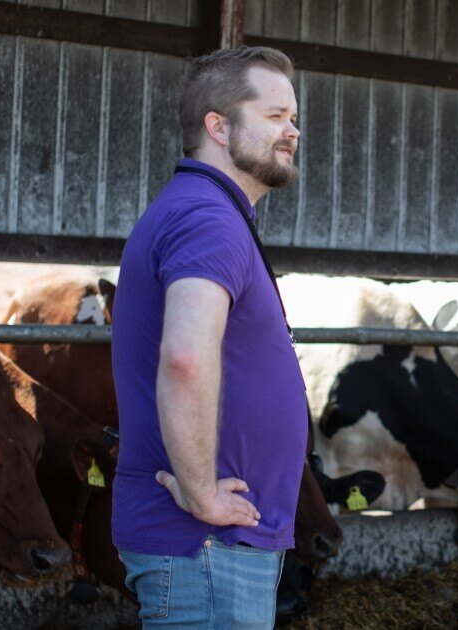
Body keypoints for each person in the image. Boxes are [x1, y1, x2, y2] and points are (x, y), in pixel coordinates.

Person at [110, 47, 306, 628]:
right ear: (217, 127)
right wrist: (201, 494)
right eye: (274, 116)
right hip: (205, 544)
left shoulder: (207, 211)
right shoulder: (208, 218)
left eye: (293, 117)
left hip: (216, 548)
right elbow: (186, 358)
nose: (292, 131)